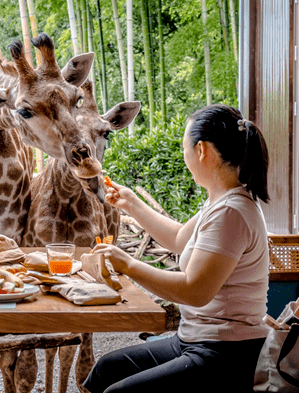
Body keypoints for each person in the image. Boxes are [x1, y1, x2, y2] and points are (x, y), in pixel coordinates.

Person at [84, 104, 271, 392]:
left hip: (228, 351)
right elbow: (179, 239)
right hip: (196, 340)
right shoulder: (221, 201)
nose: (184, 156)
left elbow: (194, 291)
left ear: (201, 151)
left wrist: (128, 265)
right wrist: (131, 203)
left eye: (184, 148)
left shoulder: (231, 213)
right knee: (106, 370)